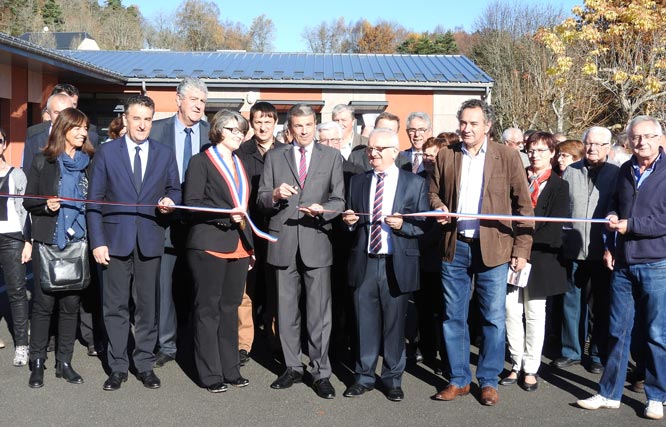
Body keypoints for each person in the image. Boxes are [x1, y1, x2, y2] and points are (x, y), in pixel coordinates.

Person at [429, 99, 534, 406]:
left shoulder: (508, 156)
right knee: (453, 316)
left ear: (488, 126)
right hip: (455, 246)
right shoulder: (446, 155)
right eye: (463, 122)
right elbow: (432, 191)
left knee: (492, 317)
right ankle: (459, 380)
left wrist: (522, 248)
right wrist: (438, 207)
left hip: (495, 248)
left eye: (474, 123)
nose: (467, 129)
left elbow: (523, 207)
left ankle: (488, 380)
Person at [87, 94, 181, 391]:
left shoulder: (164, 154)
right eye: (137, 118)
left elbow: (174, 189)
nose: (142, 125)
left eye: (148, 119)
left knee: (147, 308)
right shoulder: (106, 153)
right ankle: (117, 366)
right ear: (125, 119)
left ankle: (144, 364)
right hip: (113, 242)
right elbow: (94, 201)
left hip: (150, 240)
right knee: (114, 307)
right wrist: (97, 242)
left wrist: (170, 201)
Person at [577, 116, 666, 420]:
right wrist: (612, 236)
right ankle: (609, 392)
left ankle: (657, 396)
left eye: (647, 137)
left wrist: (632, 226)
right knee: (617, 331)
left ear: (659, 138)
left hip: (656, 263)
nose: (641, 142)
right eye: (635, 137)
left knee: (656, 333)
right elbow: (614, 204)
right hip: (623, 262)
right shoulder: (626, 169)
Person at [257, 104, 345, 399]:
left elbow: (339, 201)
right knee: (286, 311)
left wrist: (325, 210)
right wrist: (276, 195)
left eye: (308, 125)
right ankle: (292, 367)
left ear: (315, 125)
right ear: (290, 128)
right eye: (298, 126)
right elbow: (261, 199)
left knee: (319, 313)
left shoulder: (331, 156)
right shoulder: (274, 155)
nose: (304, 130)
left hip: (316, 240)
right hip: (283, 242)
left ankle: (321, 372)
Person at [341, 128, 429, 402]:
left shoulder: (414, 183)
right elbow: (349, 221)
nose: (373, 153)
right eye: (370, 148)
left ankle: (392, 379)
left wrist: (404, 225)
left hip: (396, 262)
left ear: (394, 152)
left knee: (394, 325)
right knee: (364, 322)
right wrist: (349, 222)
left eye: (379, 149)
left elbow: (422, 226)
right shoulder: (358, 182)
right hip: (365, 261)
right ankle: (364, 376)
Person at [184, 110, 254, 393]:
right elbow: (192, 203)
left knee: (229, 310)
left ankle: (230, 369)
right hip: (208, 244)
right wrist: (226, 216)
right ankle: (210, 373)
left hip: (238, 245)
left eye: (242, 131)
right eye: (234, 130)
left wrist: (250, 245)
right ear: (218, 130)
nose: (240, 135)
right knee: (207, 311)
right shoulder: (201, 162)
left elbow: (244, 207)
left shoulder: (240, 162)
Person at [23, 107, 94, 388]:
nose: (83, 132)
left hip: (78, 242)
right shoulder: (44, 161)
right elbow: (28, 200)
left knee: (70, 305)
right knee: (43, 304)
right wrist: (45, 204)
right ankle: (37, 362)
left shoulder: (89, 162)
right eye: (77, 127)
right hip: (48, 241)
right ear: (63, 129)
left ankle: (65, 362)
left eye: (85, 127)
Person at [501, 132, 569, 392]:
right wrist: (515, 249)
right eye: (531, 149)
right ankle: (515, 362)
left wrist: (524, 250)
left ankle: (531, 367)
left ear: (552, 153)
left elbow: (553, 228)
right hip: (511, 254)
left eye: (541, 150)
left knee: (534, 313)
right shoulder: (516, 178)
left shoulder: (559, 186)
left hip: (541, 257)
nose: (535, 154)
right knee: (510, 310)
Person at [149, 77, 210, 368]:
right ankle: (167, 344)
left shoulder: (212, 134)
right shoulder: (157, 131)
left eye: (203, 101)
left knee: (199, 286)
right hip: (165, 221)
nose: (199, 105)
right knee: (164, 285)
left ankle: (195, 342)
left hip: (201, 224)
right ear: (179, 99)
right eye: (194, 99)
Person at [552, 126, 619, 374]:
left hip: (602, 250)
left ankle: (598, 354)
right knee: (571, 300)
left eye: (598, 144)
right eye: (588, 143)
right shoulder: (571, 171)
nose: (592, 148)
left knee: (600, 304)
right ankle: (571, 351)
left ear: (608, 148)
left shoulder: (616, 173)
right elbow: (563, 207)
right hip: (573, 247)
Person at [235, 101, 282, 365]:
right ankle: (244, 344)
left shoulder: (286, 152)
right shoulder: (242, 152)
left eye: (268, 121)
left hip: (277, 231)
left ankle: (276, 340)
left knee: (276, 289)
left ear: (275, 123)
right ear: (251, 123)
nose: (263, 126)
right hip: (248, 230)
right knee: (245, 291)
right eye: (258, 121)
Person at [0, 127, 31, 366]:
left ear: (4, 144)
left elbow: (26, 211)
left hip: (12, 238)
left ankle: (22, 345)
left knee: (17, 292)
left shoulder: (16, 174)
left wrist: (27, 241)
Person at [24, 84, 100, 170]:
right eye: (57, 112)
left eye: (73, 105)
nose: (63, 115)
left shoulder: (89, 135)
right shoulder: (34, 134)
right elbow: (29, 172)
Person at [23, 93, 74, 172]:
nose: (61, 117)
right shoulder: (34, 141)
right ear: (49, 113)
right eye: (56, 112)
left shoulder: (85, 138)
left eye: (65, 112)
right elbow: (28, 173)